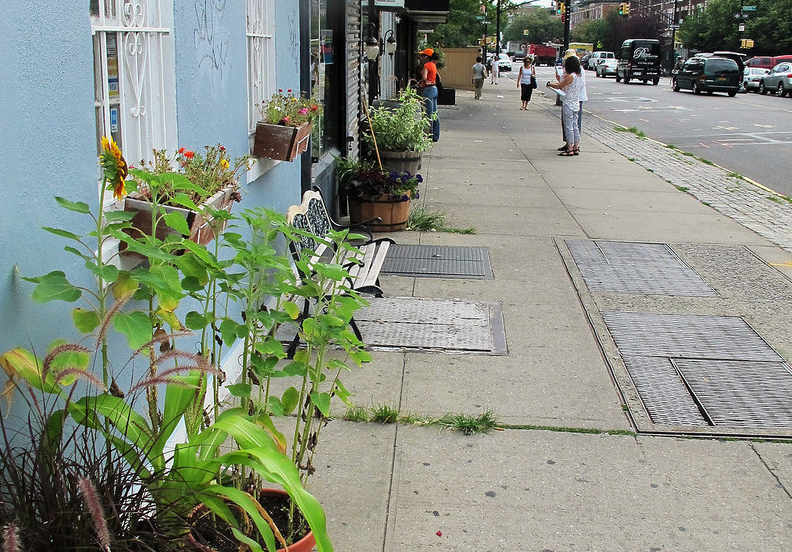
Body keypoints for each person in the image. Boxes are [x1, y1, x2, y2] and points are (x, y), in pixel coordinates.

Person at [547, 54, 584, 156]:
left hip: (568, 103)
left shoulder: (571, 76)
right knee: (575, 125)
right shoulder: (579, 76)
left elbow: (560, 86)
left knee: (568, 126)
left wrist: (550, 84)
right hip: (576, 102)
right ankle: (576, 146)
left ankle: (569, 148)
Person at [417, 48, 440, 142]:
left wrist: (420, 82)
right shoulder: (434, 65)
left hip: (428, 90)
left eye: (422, 56)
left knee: (428, 114)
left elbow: (424, 78)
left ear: (426, 57)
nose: (421, 57)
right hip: (434, 89)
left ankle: (427, 135)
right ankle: (435, 135)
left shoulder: (426, 65)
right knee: (435, 113)